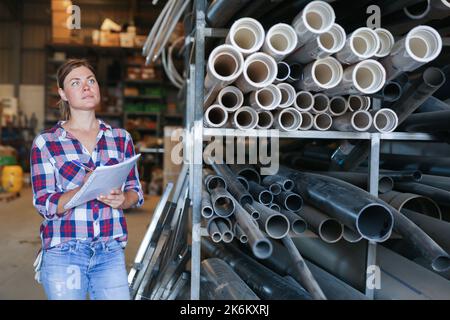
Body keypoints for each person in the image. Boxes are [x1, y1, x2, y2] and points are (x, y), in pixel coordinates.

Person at [30, 59, 144, 300]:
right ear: (63, 94)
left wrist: (123, 200)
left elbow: (135, 191)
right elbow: (44, 203)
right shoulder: (47, 142)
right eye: (76, 82)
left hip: (109, 251)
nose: (86, 87)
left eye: (91, 80)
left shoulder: (120, 138)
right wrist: (85, 188)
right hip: (65, 251)